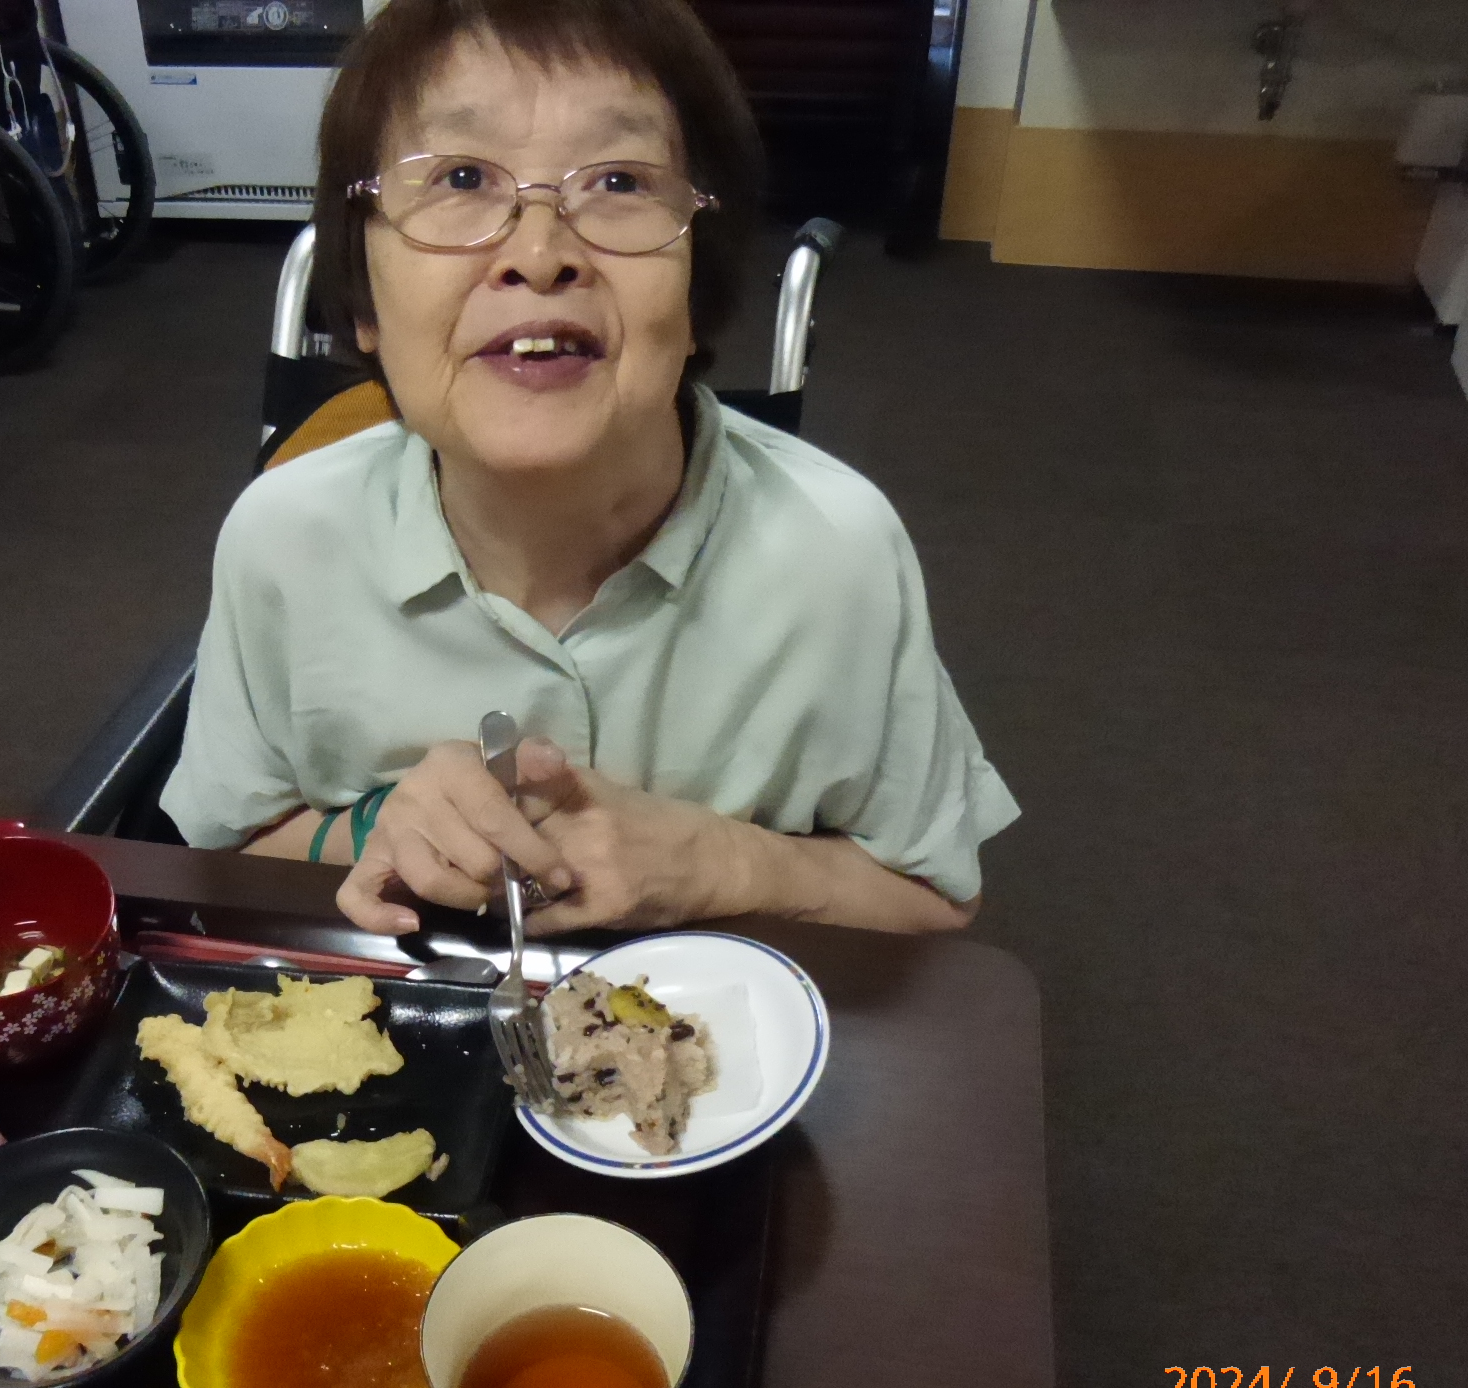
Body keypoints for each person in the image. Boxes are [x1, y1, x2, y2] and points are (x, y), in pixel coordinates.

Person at [162, 0, 1017, 937]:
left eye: (618, 180)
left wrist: (726, 862)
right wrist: (375, 828)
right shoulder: (282, 538)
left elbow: (936, 896)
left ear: (696, 287)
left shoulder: (838, 552)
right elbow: (227, 850)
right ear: (364, 302)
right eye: (460, 177)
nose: (539, 256)